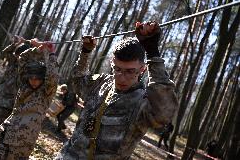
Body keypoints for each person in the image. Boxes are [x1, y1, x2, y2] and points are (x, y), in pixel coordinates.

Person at [55, 21, 178, 159]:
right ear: (111, 63)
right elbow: (78, 82)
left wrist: (152, 52)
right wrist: (85, 52)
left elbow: (164, 114)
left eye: (130, 71)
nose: (122, 78)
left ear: (142, 69)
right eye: (117, 69)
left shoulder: (142, 102)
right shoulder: (100, 82)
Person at [0, 42, 59, 160]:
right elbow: (23, 58)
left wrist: (52, 54)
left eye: (38, 79)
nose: (34, 81)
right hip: (6, 134)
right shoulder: (24, 86)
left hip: (22, 144)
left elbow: (52, 77)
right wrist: (37, 50)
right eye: (31, 78)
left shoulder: (46, 93)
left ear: (42, 79)